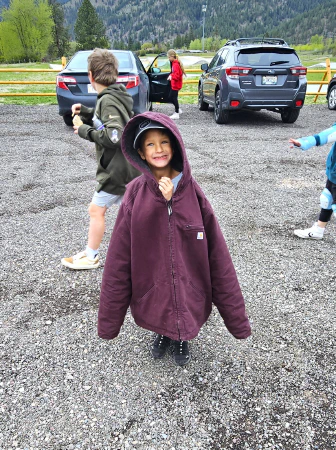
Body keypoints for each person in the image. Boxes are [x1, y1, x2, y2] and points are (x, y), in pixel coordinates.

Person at [98, 112, 251, 366]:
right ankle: (162, 331)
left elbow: (218, 256)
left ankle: (182, 337)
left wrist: (237, 322)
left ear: (176, 145)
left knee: (184, 307)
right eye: (150, 144)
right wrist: (109, 323)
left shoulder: (192, 191)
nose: (158, 149)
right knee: (161, 305)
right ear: (141, 153)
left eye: (164, 142)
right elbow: (118, 257)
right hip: (152, 284)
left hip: (190, 282)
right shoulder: (135, 193)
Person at [61, 48, 140, 270]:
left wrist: (83, 129)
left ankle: (91, 256)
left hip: (116, 171)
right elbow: (106, 121)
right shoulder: (116, 95)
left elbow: (114, 135)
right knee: (134, 215)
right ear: (114, 74)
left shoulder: (108, 100)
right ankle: (148, 253)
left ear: (90, 76)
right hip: (127, 168)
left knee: (96, 210)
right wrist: (86, 112)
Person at [289, 123, 336, 240]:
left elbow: (327, 135)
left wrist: (306, 142)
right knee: (327, 198)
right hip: (333, 172)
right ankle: (319, 230)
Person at [167, 49, 186, 120]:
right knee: (173, 97)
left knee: (172, 97)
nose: (168, 59)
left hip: (175, 84)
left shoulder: (175, 65)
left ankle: (177, 112)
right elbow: (176, 74)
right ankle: (178, 109)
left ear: (172, 56)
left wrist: (171, 77)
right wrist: (171, 75)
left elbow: (177, 76)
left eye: (169, 57)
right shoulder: (175, 64)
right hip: (176, 84)